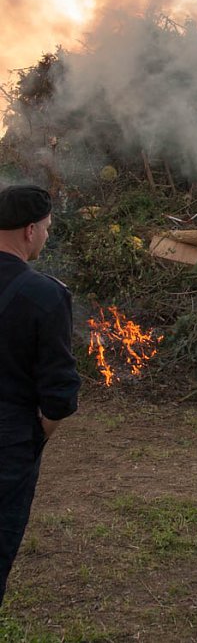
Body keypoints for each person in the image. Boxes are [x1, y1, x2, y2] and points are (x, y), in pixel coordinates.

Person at [0, 184, 81, 606]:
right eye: (47, 228)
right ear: (30, 231)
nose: (47, 236)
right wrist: (37, 435)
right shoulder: (45, 294)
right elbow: (59, 394)